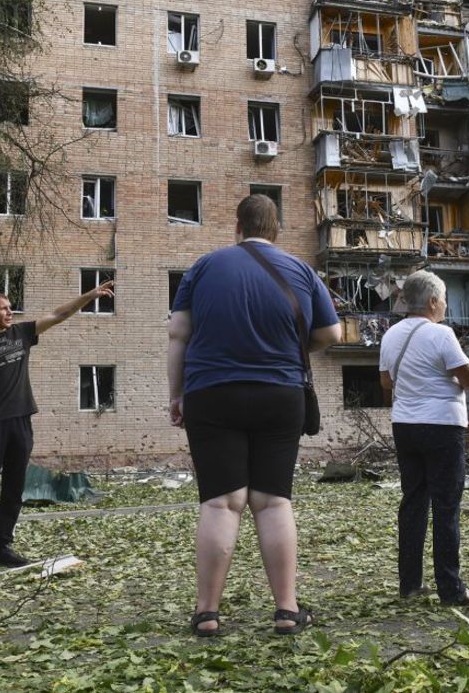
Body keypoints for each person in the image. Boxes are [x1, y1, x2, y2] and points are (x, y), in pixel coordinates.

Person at [168, 194, 341, 636]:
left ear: (237, 226)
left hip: (211, 392)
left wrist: (177, 394)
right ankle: (286, 609)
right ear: (276, 228)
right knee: (273, 500)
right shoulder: (302, 270)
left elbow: (178, 334)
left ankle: (207, 613)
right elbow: (330, 333)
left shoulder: (203, 267)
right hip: (280, 394)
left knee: (221, 501)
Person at [0, 281, 115, 574]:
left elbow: (58, 315)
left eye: (10, 306)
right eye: (3, 308)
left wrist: (89, 296)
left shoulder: (22, 333)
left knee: (15, 488)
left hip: (21, 421)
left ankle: (3, 546)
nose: (9, 311)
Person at [378, 270, 469, 605]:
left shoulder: (391, 335)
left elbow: (386, 384)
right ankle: (451, 588)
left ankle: (410, 585)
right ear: (433, 301)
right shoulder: (442, 334)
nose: (446, 305)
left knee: (413, 502)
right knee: (446, 505)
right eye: (445, 298)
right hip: (442, 426)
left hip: (405, 425)